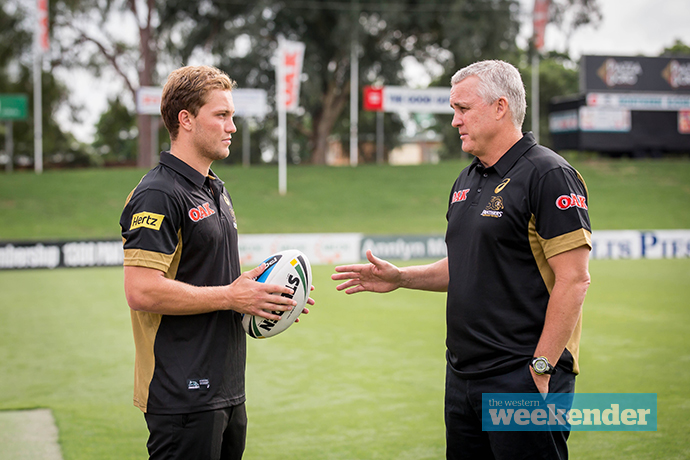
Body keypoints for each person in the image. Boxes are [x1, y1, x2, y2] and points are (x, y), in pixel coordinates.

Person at [332, 60, 591, 460]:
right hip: (463, 376)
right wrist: (401, 277)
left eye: (463, 109)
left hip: (521, 376)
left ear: (500, 107)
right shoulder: (467, 180)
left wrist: (541, 368)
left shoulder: (549, 174)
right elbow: (466, 266)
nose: (455, 121)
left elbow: (574, 280)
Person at [120, 65, 311, 460]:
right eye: (221, 115)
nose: (232, 127)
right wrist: (230, 295)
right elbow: (140, 290)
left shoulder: (214, 190)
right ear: (185, 120)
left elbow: (216, 283)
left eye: (232, 116)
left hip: (226, 388)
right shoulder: (158, 194)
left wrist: (262, 295)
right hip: (181, 394)